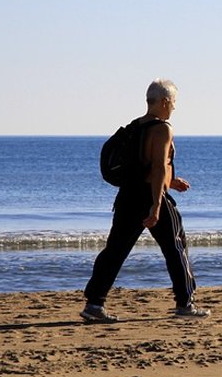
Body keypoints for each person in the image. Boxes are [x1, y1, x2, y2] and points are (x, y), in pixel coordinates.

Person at [81, 79, 209, 321]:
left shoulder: (135, 127)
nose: (175, 107)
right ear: (165, 102)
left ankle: (94, 304)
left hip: (128, 196)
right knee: (175, 248)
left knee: (115, 251)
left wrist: (171, 181)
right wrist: (157, 205)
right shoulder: (162, 129)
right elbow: (158, 166)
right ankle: (185, 304)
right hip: (151, 196)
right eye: (174, 102)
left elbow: (142, 166)